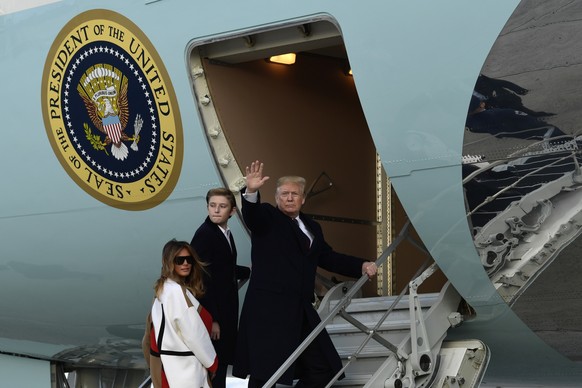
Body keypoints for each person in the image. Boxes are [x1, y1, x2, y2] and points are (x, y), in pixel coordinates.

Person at [232, 160, 378, 388]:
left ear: (303, 198)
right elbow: (252, 216)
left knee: (324, 368)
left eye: (295, 194)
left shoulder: (312, 226)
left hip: (300, 309)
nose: (289, 198)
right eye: (284, 194)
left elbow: (327, 257)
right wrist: (251, 191)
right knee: (264, 374)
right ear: (277, 197)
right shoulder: (268, 218)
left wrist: (361, 265)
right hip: (268, 311)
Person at [191, 188, 251, 388]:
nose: (216, 210)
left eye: (222, 206)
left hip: (226, 312)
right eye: (212, 205)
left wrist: (250, 271)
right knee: (215, 368)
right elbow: (201, 278)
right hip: (216, 315)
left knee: (222, 364)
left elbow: (222, 268)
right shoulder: (204, 234)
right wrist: (213, 319)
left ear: (232, 211)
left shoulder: (223, 233)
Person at [150, 239, 218, 388]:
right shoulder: (176, 293)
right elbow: (194, 335)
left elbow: (150, 336)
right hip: (186, 370)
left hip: (170, 368)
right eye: (179, 260)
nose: (185, 263)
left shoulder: (163, 291)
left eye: (189, 259)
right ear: (169, 262)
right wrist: (212, 363)